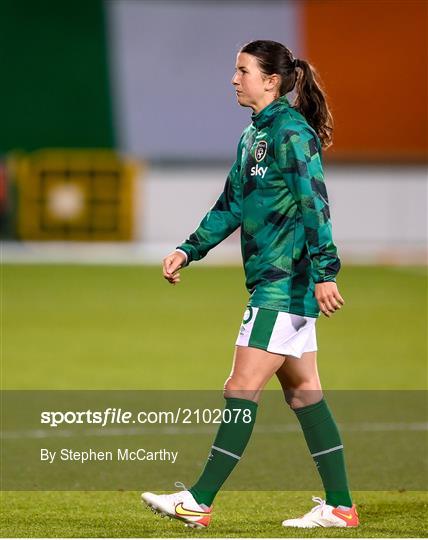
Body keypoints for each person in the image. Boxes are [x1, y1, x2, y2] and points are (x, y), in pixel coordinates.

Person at [142, 40, 359, 530]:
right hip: (277, 286)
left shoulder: (292, 133)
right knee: (305, 393)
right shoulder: (252, 136)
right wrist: (188, 248)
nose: (234, 79)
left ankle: (198, 500)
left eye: (242, 71)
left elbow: (314, 203)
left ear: (271, 80)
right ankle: (340, 507)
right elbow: (232, 205)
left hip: (282, 288)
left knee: (241, 386)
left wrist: (326, 271)